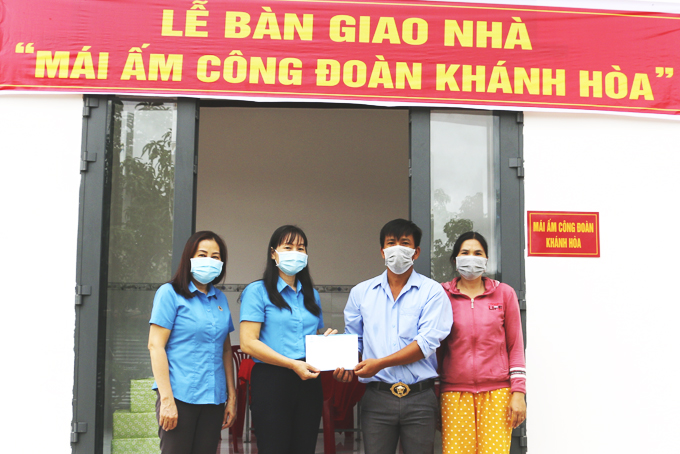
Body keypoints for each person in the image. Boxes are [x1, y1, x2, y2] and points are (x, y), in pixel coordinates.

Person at [334, 218, 453, 454]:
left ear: (416, 252)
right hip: (377, 398)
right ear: (382, 251)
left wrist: (380, 363)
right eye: (391, 243)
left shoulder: (433, 292)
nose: (397, 249)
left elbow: (425, 344)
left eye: (405, 243)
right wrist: (343, 363)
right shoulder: (361, 293)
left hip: (420, 398)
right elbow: (354, 341)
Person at [239, 225, 336, 454]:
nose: (295, 253)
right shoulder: (257, 291)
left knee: (305, 447)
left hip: (309, 381)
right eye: (288, 247)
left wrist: (328, 342)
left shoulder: (312, 294)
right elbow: (248, 343)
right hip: (272, 380)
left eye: (301, 248)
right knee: (274, 448)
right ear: (273, 253)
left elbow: (312, 337)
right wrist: (292, 364)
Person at [147, 231, 237, 454]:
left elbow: (226, 350)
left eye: (215, 257)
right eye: (202, 254)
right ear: (189, 257)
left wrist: (232, 397)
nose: (209, 261)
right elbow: (155, 346)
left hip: (213, 399)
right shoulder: (169, 293)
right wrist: (166, 400)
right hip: (179, 397)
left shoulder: (220, 298)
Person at [439, 231, 526, 454]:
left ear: (486, 260)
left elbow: (515, 346)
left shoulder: (504, 294)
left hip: (497, 393)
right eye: (465, 252)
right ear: (455, 259)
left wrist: (518, 392)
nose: (471, 258)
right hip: (454, 394)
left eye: (478, 253)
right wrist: (434, 391)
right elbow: (435, 349)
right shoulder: (441, 295)